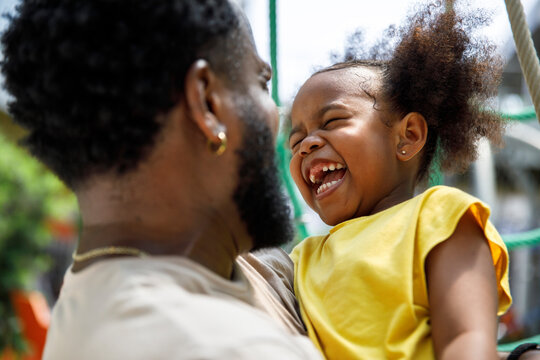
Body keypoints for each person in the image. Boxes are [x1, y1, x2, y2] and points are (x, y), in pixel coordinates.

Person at [1, 0, 321, 359]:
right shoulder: (227, 347)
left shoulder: (90, 296)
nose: (280, 122)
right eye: (261, 84)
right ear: (207, 104)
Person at [287, 2, 515, 359]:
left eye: (331, 122)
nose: (306, 144)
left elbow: (466, 339)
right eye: (294, 140)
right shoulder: (303, 258)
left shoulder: (440, 217)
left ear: (407, 136)